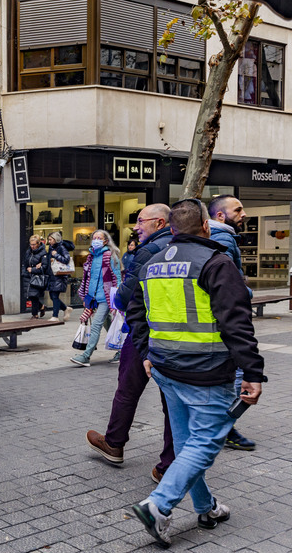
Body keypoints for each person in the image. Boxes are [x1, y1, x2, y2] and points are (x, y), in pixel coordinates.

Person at [128, 198, 266, 547]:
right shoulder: (217, 263)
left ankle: (206, 508)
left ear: (172, 229)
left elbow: (134, 312)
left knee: (186, 444)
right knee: (203, 444)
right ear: (206, 226)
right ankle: (158, 506)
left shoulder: (152, 262)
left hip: (165, 370)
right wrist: (252, 371)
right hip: (206, 373)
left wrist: (147, 352)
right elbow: (236, 323)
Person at [85, 204, 175, 482]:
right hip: (176, 335)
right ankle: (169, 464)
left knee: (128, 388)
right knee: (171, 400)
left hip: (144, 332)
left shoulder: (147, 251)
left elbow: (126, 295)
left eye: (140, 221)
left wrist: (119, 299)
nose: (135, 227)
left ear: (159, 222)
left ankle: (114, 444)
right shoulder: (184, 248)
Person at [207, 194, 256, 451]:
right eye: (238, 210)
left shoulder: (220, 235)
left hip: (220, 319)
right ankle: (223, 426)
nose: (244, 214)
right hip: (227, 320)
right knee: (239, 374)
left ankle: (222, 426)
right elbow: (228, 281)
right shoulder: (223, 237)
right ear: (220, 216)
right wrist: (247, 293)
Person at [70, 230, 122, 367]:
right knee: (108, 324)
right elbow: (88, 279)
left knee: (96, 325)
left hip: (105, 297)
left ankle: (86, 356)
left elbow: (117, 278)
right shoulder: (91, 257)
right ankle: (122, 349)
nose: (96, 240)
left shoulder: (110, 256)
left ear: (105, 241)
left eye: (99, 238)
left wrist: (117, 299)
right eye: (94, 238)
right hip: (93, 297)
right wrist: (86, 296)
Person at [45, 231, 74, 321]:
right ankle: (66, 309)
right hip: (53, 275)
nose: (49, 241)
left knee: (54, 296)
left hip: (59, 276)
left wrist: (56, 255)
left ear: (55, 239)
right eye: (48, 239)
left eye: (50, 239)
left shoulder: (61, 247)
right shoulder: (52, 247)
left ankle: (55, 316)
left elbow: (66, 259)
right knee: (52, 296)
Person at [22, 235, 49, 319]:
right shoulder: (28, 252)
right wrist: (24, 272)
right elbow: (24, 263)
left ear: (38, 243)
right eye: (31, 244)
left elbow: (44, 267)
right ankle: (41, 307)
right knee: (29, 295)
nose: (32, 246)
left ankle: (35, 315)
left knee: (34, 296)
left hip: (37, 277)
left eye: (34, 244)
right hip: (27, 276)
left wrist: (33, 270)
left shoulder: (43, 253)